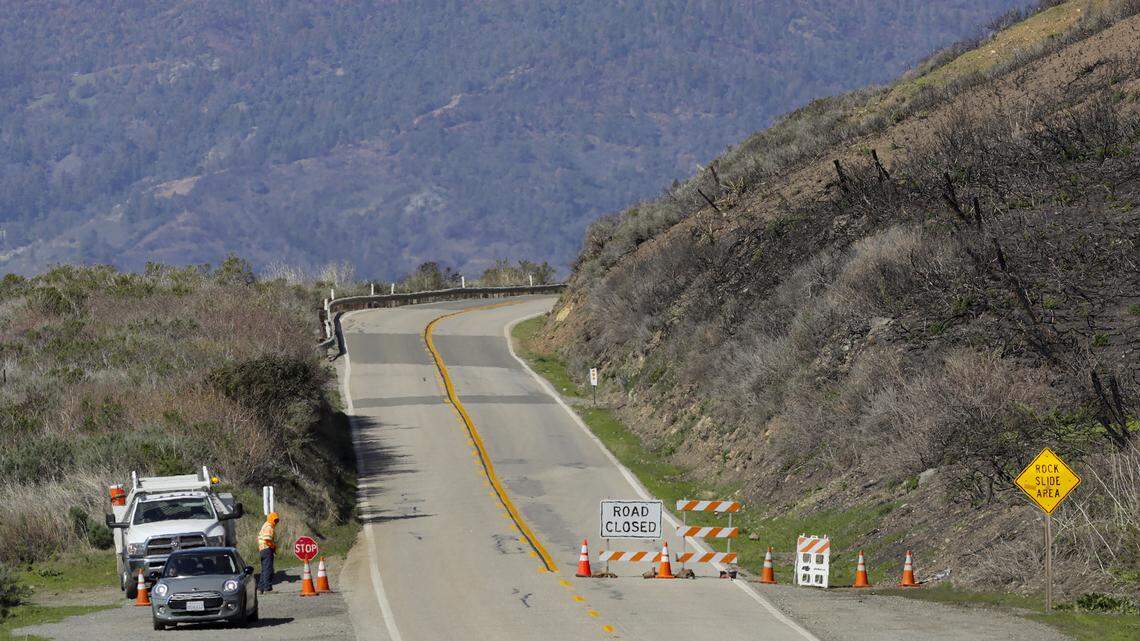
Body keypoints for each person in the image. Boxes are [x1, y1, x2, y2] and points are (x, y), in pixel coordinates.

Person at [257, 512, 279, 593]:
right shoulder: (269, 526)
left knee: (264, 569)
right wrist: (273, 547)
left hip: (262, 549)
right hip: (267, 549)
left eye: (277, 520)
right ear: (271, 519)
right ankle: (267, 588)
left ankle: (260, 588)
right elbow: (267, 539)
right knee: (268, 569)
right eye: (275, 520)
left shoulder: (266, 525)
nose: (276, 522)